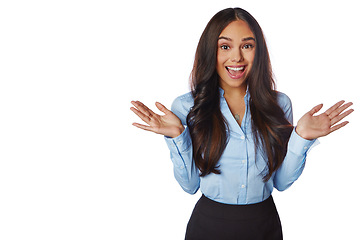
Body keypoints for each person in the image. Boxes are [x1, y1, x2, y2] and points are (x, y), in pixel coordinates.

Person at [130, 7, 353, 240]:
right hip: (208, 226)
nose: (236, 57)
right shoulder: (187, 107)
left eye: (247, 46)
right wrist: (177, 136)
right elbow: (190, 186)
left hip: (264, 224)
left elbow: (281, 182)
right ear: (210, 51)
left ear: (258, 51)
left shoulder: (279, 104)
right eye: (225, 46)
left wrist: (302, 137)